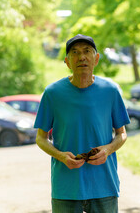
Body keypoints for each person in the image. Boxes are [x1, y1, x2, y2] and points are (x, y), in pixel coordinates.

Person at [34, 34, 130, 213]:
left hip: (104, 185)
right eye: (75, 53)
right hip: (66, 188)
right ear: (67, 62)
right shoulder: (52, 93)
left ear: (96, 58)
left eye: (87, 51)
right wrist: (62, 156)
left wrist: (107, 150)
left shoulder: (110, 91)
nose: (82, 57)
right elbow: (41, 138)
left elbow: (121, 134)